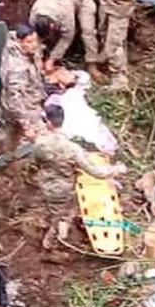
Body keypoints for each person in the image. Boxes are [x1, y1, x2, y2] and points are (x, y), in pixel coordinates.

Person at [32, 104, 127, 249]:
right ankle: (50, 242)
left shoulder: (39, 144)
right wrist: (116, 169)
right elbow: (97, 173)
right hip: (63, 189)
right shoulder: (73, 149)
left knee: (54, 210)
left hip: (46, 184)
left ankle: (55, 227)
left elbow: (37, 162)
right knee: (61, 216)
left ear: (48, 122)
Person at [30, 0, 104, 81]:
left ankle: (92, 65)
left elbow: (67, 37)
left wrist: (52, 59)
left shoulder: (64, 12)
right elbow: (35, 38)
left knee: (88, 31)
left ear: (52, 25)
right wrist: (38, 60)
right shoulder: (34, 14)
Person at [0, 23, 46, 139]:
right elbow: (14, 99)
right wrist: (26, 126)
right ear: (20, 42)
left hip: (31, 99)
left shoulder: (23, 49)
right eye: (29, 42)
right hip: (24, 110)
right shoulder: (16, 68)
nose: (34, 45)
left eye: (35, 41)